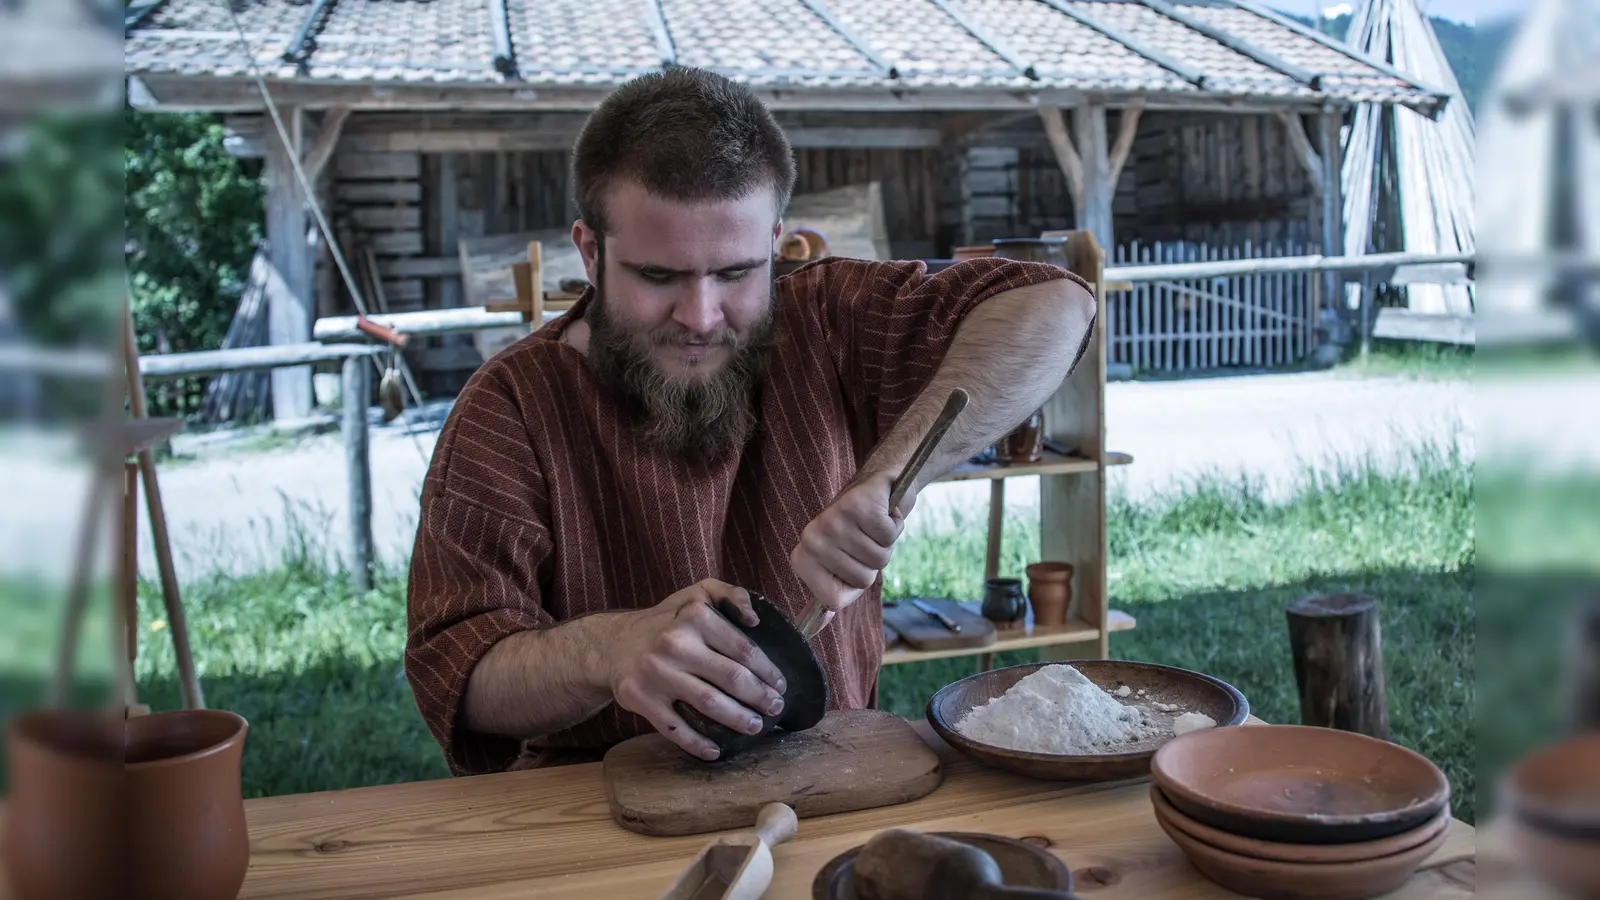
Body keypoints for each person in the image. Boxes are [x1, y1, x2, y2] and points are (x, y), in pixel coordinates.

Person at [405, 67, 1098, 775]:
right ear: (590, 252)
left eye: (736, 273)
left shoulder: (828, 321)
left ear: (773, 242)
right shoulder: (512, 405)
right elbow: (457, 675)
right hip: (587, 806)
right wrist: (607, 651)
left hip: (829, 780)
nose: (701, 317)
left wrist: (889, 477)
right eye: (658, 276)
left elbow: (1056, 305)